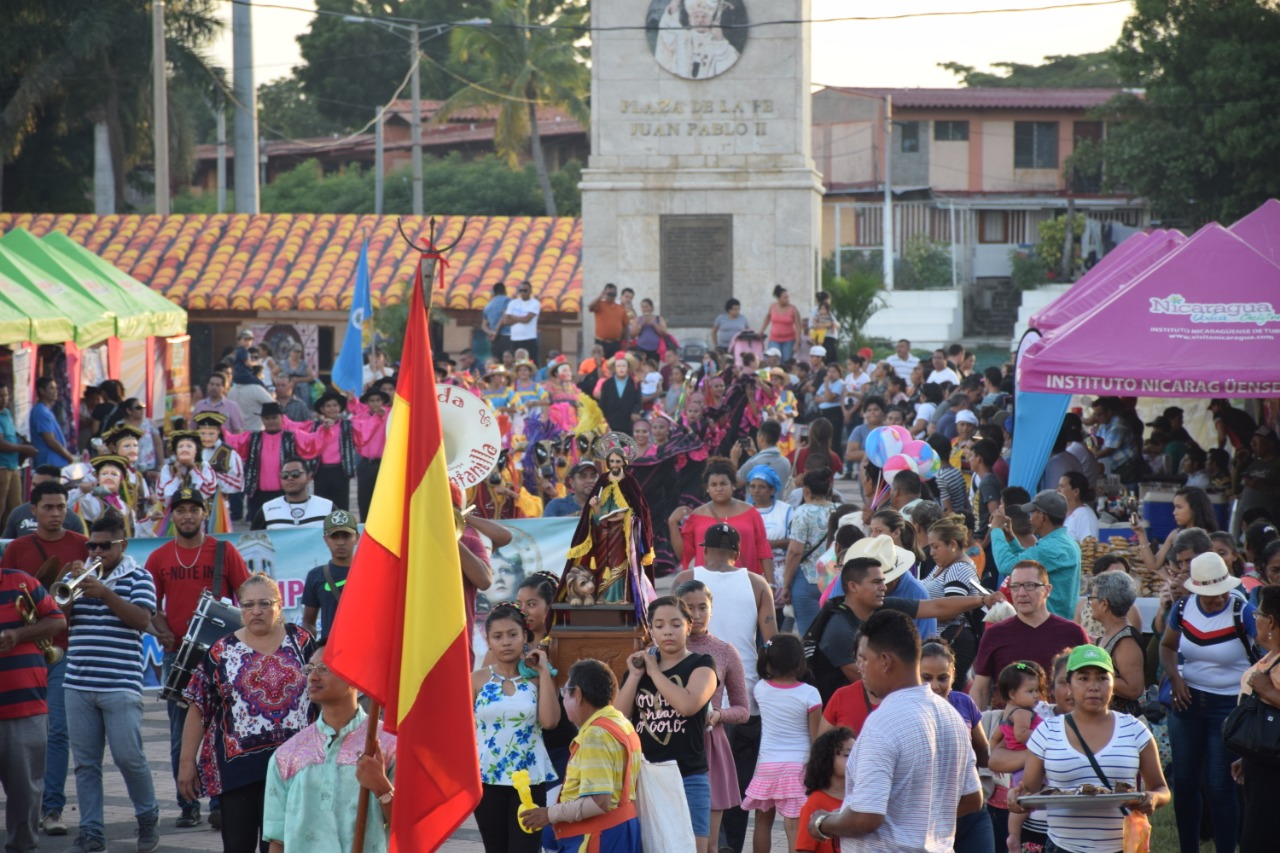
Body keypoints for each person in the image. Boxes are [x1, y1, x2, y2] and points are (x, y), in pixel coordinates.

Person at [806, 609, 983, 850]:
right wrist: (917, 818)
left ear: (885, 661)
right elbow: (973, 798)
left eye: (865, 660)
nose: (861, 669)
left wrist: (823, 822)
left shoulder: (883, 723)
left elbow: (865, 818)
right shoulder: (950, 715)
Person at [180, 574, 315, 853]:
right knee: (238, 846)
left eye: (264, 603)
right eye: (248, 604)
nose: (256, 611)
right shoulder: (222, 651)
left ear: (279, 605)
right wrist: (186, 763)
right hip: (238, 772)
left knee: (283, 846)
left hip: (295, 769)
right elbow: (198, 706)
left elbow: (327, 694)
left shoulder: (301, 642)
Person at [147, 487, 251, 828]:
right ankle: (188, 804)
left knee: (223, 730)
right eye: (180, 510)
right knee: (181, 735)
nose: (187, 515)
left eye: (194, 509)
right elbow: (150, 607)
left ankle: (221, 802)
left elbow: (248, 598)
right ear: (171, 515)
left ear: (204, 513)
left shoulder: (223, 551)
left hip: (222, 658)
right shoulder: (160, 557)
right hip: (179, 657)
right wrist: (160, 628)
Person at [670, 524, 776, 853]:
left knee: (711, 794)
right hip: (738, 699)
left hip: (712, 720)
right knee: (736, 785)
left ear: (703, 548)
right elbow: (771, 639)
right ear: (738, 552)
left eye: (703, 608)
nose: (697, 614)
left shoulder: (684, 577)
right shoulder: (757, 583)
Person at [1007, 645, 1170, 853]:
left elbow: (1162, 789)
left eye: (1102, 678)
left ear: (1113, 683)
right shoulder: (1047, 732)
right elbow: (1029, 792)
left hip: (1121, 847)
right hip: (1063, 847)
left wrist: (1153, 798)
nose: (1094, 686)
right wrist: (1016, 797)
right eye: (1083, 678)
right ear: (1069, 685)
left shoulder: (1135, 729)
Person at [62, 514, 161, 853]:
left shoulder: (140, 576)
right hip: (77, 682)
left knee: (128, 757)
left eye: (106, 545)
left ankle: (147, 815)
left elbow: (142, 620)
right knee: (86, 764)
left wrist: (105, 593)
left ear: (123, 544)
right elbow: (57, 618)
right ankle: (91, 833)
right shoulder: (77, 576)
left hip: (120, 683)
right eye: (93, 545)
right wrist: (67, 590)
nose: (98, 552)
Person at [0, 479, 88, 837]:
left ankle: (52, 809)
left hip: (65, 648)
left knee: (56, 731)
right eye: (48, 507)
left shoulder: (81, 544)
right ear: (32, 510)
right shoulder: (18, 548)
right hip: (27, 657)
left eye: (61, 507)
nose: (55, 513)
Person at [810, 549, 1000, 703]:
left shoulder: (881, 605)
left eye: (883, 581)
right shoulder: (838, 629)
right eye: (876, 582)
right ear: (853, 587)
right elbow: (868, 683)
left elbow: (935, 606)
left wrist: (983, 599)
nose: (883, 587)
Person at [1159, 551, 1256, 853]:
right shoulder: (1183, 608)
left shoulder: (1244, 611)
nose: (1216, 600)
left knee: (1220, 785)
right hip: (1187, 704)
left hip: (1228, 706)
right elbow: (1167, 645)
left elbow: (1267, 652)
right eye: (1209, 595)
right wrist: (1175, 677)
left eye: (1220, 593)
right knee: (1185, 784)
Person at [263, 642, 396, 853]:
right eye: (310, 669)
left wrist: (381, 787)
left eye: (324, 669)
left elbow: (411, 829)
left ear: (357, 677)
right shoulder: (287, 755)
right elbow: (278, 840)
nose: (313, 677)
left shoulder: (389, 746)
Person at [617, 596, 719, 852]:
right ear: (650, 630)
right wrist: (636, 676)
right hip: (646, 775)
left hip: (688, 774)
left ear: (689, 625)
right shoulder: (639, 669)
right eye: (659, 625)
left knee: (693, 847)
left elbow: (687, 705)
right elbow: (618, 718)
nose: (667, 632)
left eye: (675, 624)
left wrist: (655, 673)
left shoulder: (702, 664)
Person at [517, 659, 643, 852]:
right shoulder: (621, 722)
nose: (564, 700)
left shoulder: (595, 735)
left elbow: (599, 801)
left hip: (597, 837)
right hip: (619, 830)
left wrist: (549, 814)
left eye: (564, 693)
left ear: (577, 694)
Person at [472, 603, 560, 853]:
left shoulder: (536, 678)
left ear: (524, 636)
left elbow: (550, 721)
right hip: (486, 779)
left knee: (526, 849)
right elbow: (462, 730)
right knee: (495, 849)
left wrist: (543, 672)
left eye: (512, 634)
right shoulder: (476, 679)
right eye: (497, 636)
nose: (506, 642)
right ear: (488, 641)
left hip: (529, 779)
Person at [0, 553, 66, 853]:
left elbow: (57, 620)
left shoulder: (21, 582)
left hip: (25, 707)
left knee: (26, 793)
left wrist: (19, 634)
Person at [678, 579, 749, 847]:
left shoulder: (725, 651)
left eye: (702, 607)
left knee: (707, 842)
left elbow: (743, 709)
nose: (696, 615)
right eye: (688, 608)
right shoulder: (662, 649)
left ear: (712, 609)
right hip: (668, 743)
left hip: (710, 744)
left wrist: (718, 715)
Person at [971, 561, 1089, 710]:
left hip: (1059, 726)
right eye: (1015, 586)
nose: (1021, 593)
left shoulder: (1072, 632)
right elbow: (980, 689)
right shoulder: (995, 634)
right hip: (1007, 728)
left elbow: (1086, 682)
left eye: (1030, 585)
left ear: (1047, 590)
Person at [742, 634, 822, 853]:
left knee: (762, 822)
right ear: (800, 663)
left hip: (767, 766)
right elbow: (816, 738)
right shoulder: (810, 694)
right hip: (798, 767)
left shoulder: (760, 689)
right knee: (793, 824)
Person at [919, 639, 994, 853]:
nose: (935, 686)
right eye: (926, 678)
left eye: (942, 677)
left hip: (970, 812)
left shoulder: (964, 702)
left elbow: (982, 751)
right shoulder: (908, 710)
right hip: (927, 820)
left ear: (953, 673)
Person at [1232, 584, 1280, 852]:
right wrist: (1247, 756)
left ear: (1271, 620)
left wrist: (1268, 690)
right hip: (1262, 763)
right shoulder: (1271, 656)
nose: (1255, 618)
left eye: (1259, 613)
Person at [990, 489, 1083, 621]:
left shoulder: (1051, 547)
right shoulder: (1065, 542)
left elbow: (1006, 566)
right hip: (1059, 622)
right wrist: (1010, 537)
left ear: (1042, 516)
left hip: (1051, 626)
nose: (1030, 518)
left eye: (1032, 513)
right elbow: (1026, 564)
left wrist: (996, 530)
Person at [672, 458, 773, 576]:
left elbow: (763, 549)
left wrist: (770, 584)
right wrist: (672, 524)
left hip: (745, 582)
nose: (719, 488)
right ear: (707, 488)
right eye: (714, 484)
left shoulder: (751, 512)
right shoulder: (696, 516)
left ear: (733, 485)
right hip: (706, 587)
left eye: (723, 483)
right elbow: (684, 555)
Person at [923, 514, 984, 681]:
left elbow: (951, 610)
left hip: (953, 642)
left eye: (936, 547)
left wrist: (917, 611)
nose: (932, 552)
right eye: (930, 547)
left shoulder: (958, 569)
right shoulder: (944, 566)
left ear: (952, 545)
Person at [994, 660, 1047, 852]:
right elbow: (1021, 734)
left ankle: (1014, 835)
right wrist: (1046, 738)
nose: (1036, 696)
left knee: (1024, 799)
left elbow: (995, 737)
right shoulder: (1023, 712)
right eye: (1030, 691)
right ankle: (1014, 836)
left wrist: (992, 750)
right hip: (1026, 765)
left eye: (1036, 690)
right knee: (1024, 800)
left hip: (1018, 765)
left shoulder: (1008, 713)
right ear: (1012, 694)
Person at [780, 469, 837, 637]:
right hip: (833, 581)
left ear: (806, 490)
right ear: (828, 489)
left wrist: (786, 584)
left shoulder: (803, 513)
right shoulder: (839, 511)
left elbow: (795, 552)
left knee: (809, 636)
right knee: (831, 633)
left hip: (806, 580)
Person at [1087, 570, 1146, 717]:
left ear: (1104, 604)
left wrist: (1095, 674)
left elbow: (1134, 689)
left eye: (1092, 598)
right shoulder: (1110, 634)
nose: (1090, 603)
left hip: (1122, 722)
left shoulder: (1126, 641)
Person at [300, 511, 358, 642]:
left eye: (346, 536)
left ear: (357, 538)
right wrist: (312, 650)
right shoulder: (316, 576)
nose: (341, 542)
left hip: (366, 649)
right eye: (335, 536)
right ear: (326, 539)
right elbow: (308, 623)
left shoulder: (370, 572)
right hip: (330, 652)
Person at [796, 728, 853, 853]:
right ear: (827, 760)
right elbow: (805, 849)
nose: (855, 759)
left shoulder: (859, 797)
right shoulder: (815, 803)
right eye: (847, 755)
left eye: (858, 753)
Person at [654, 0, 741, 80]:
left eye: (704, 16)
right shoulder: (681, 36)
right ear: (690, 20)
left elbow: (732, 66)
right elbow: (667, 28)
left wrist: (720, 39)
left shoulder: (720, 43)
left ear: (711, 20)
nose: (700, 20)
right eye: (696, 16)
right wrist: (675, 3)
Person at [3, 465, 87, 539]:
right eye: (34, 485)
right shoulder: (18, 513)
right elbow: (5, 545)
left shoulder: (73, 519)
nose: (35, 489)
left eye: (41, 486)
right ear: (33, 509)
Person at [251, 457, 334, 530]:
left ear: (308, 478)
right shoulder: (267, 509)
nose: (290, 478)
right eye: (285, 475)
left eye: (295, 474)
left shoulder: (327, 507)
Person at [0, 385, 37, 530]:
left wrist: (24, 446)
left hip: (13, 465)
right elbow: (1, 443)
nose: (4, 399)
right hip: (2, 466)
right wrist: (23, 448)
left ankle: (8, 540)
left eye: (6, 395)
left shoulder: (6, 413)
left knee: (15, 506)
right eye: (1, 396)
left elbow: (12, 435)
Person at [28, 377, 74, 467]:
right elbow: (50, 440)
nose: (55, 391)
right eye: (51, 388)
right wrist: (68, 456)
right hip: (49, 463)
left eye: (56, 388)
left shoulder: (46, 410)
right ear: (41, 391)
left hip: (55, 462)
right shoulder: (41, 411)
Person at [734, 419, 792, 487]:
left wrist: (734, 459)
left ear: (761, 438)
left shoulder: (753, 462)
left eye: (757, 436)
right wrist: (755, 455)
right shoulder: (786, 463)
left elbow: (735, 484)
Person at [594, 355, 642, 435]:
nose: (621, 369)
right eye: (618, 366)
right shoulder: (607, 384)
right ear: (615, 368)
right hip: (610, 424)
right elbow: (603, 403)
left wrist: (635, 412)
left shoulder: (635, 383)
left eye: (624, 366)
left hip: (628, 425)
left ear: (628, 367)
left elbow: (638, 401)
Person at [760, 285, 802, 363]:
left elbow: (798, 326)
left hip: (789, 340)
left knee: (786, 361)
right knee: (773, 360)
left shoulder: (793, 309)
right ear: (779, 298)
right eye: (785, 297)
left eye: (789, 297)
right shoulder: (772, 307)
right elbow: (767, 318)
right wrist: (761, 330)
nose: (788, 299)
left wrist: (797, 342)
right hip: (774, 339)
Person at [503, 281, 541, 363]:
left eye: (525, 290)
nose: (523, 293)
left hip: (529, 338)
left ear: (530, 291)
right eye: (521, 290)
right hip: (515, 339)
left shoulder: (535, 303)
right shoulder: (513, 303)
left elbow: (527, 320)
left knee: (532, 362)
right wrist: (521, 318)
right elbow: (505, 321)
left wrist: (512, 316)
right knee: (516, 363)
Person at [1057, 470, 1099, 543]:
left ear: (1075, 491)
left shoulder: (1085, 515)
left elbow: (1089, 547)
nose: (1058, 490)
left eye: (1062, 486)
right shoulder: (1066, 514)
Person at [588, 283, 629, 357]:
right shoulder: (600, 304)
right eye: (609, 293)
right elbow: (590, 307)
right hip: (601, 343)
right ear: (604, 293)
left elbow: (626, 326)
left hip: (616, 343)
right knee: (600, 364)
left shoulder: (620, 308)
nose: (611, 296)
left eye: (613, 294)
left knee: (614, 365)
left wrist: (626, 342)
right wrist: (600, 296)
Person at [482, 282, 513, 360]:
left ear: (494, 292)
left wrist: (491, 332)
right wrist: (496, 331)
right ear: (505, 291)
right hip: (508, 335)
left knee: (497, 363)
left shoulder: (488, 306)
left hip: (495, 340)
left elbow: (484, 325)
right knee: (509, 361)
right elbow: (504, 316)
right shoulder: (508, 301)